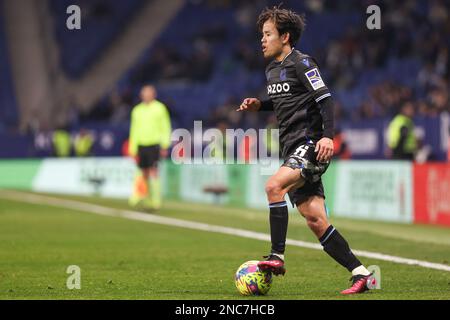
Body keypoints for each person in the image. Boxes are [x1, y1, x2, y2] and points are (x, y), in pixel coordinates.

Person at [236, 6, 374, 294]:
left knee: (274, 186)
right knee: (315, 219)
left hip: (310, 144)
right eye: (262, 34)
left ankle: (277, 256)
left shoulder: (303, 63)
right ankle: (361, 274)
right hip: (291, 148)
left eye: (267, 34)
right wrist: (259, 105)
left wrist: (328, 137)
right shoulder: (272, 68)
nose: (262, 40)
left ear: (285, 37)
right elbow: (287, 99)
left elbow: (325, 99)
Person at [128, 85, 172, 210]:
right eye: (144, 93)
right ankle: (146, 200)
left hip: (154, 144)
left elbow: (165, 126)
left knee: (154, 172)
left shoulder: (160, 108)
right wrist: (133, 148)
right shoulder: (137, 110)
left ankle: (156, 201)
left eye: (148, 93)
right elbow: (134, 130)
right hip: (141, 144)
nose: (146, 95)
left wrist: (165, 145)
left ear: (154, 94)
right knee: (144, 173)